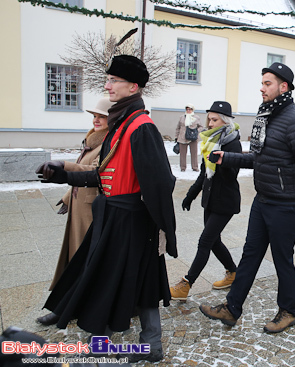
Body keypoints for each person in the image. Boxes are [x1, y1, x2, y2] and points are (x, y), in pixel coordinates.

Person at [36, 54, 177, 363]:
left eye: (113, 80)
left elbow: (162, 182)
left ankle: (139, 343)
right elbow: (102, 176)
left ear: (133, 87)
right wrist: (63, 175)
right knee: (113, 276)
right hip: (112, 214)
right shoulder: (122, 123)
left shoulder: (142, 126)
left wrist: (159, 229)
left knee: (134, 278)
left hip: (131, 220)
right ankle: (122, 340)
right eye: (108, 79)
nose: (107, 85)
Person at [198, 62, 295, 333]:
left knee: (281, 258)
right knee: (251, 253)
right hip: (264, 199)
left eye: (267, 83)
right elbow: (260, 159)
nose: (262, 88)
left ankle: (288, 311)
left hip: (285, 204)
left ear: (283, 87)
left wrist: (282, 176)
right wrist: (227, 158)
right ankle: (232, 308)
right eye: (262, 83)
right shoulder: (267, 116)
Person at [35, 97, 114, 326]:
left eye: (101, 116)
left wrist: (65, 166)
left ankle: (70, 307)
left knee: (84, 261)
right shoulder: (93, 138)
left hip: (91, 211)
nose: (96, 120)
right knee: (74, 259)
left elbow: (96, 171)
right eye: (95, 116)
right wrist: (68, 197)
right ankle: (69, 304)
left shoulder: (108, 142)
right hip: (80, 207)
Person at [170, 101, 241, 301]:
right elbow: (204, 173)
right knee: (214, 241)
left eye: (214, 119)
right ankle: (233, 272)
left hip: (225, 201)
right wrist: (191, 194)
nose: (210, 123)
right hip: (210, 200)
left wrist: (223, 160)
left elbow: (231, 174)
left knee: (205, 242)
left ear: (225, 121)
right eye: (209, 118)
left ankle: (186, 284)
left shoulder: (231, 142)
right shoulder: (211, 140)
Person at [175, 103, 205, 171]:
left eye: (190, 109)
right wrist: (176, 136)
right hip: (182, 137)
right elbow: (178, 127)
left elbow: (201, 126)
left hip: (193, 138)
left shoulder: (196, 117)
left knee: (194, 153)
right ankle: (183, 167)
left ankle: (195, 167)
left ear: (192, 110)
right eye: (187, 109)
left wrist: (196, 131)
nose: (188, 110)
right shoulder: (182, 117)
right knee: (182, 154)